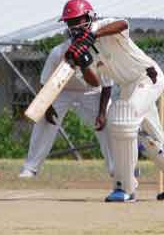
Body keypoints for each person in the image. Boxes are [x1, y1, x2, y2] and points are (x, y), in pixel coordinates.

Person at [60, 0, 164, 202]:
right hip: (128, 88)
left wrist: (92, 35)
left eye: (76, 21)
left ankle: (125, 187)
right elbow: (96, 82)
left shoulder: (103, 26)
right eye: (69, 23)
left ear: (89, 17)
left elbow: (124, 24)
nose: (73, 27)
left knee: (122, 121)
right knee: (149, 136)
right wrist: (83, 63)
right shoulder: (79, 49)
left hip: (147, 77)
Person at [19, 39, 114, 178]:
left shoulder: (100, 52)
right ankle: (30, 168)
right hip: (61, 90)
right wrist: (47, 106)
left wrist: (101, 114)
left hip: (92, 91)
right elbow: (44, 82)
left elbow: (107, 85)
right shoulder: (57, 52)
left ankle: (116, 167)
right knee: (44, 121)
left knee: (109, 120)